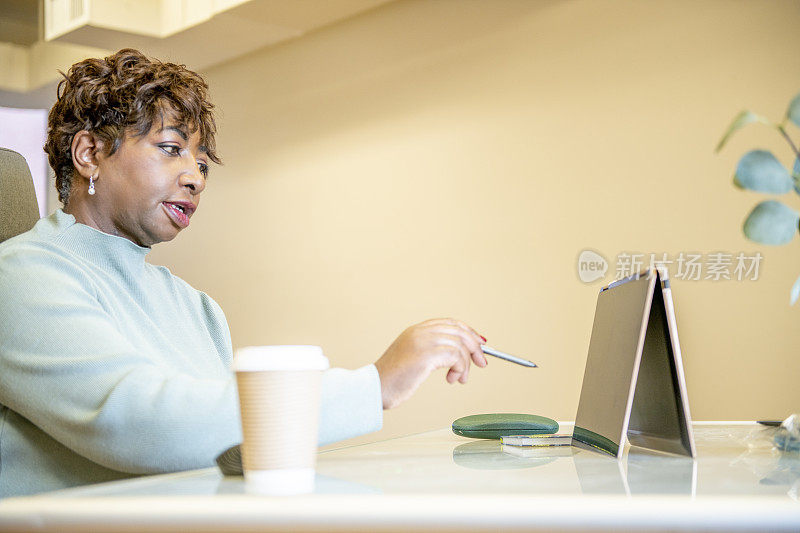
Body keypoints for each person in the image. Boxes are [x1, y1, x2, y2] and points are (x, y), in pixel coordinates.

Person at [0, 49, 488, 498]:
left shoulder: (197, 307)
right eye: (171, 148)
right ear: (88, 153)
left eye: (203, 164)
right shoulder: (21, 276)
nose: (194, 177)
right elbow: (136, 424)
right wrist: (374, 386)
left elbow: (225, 451)